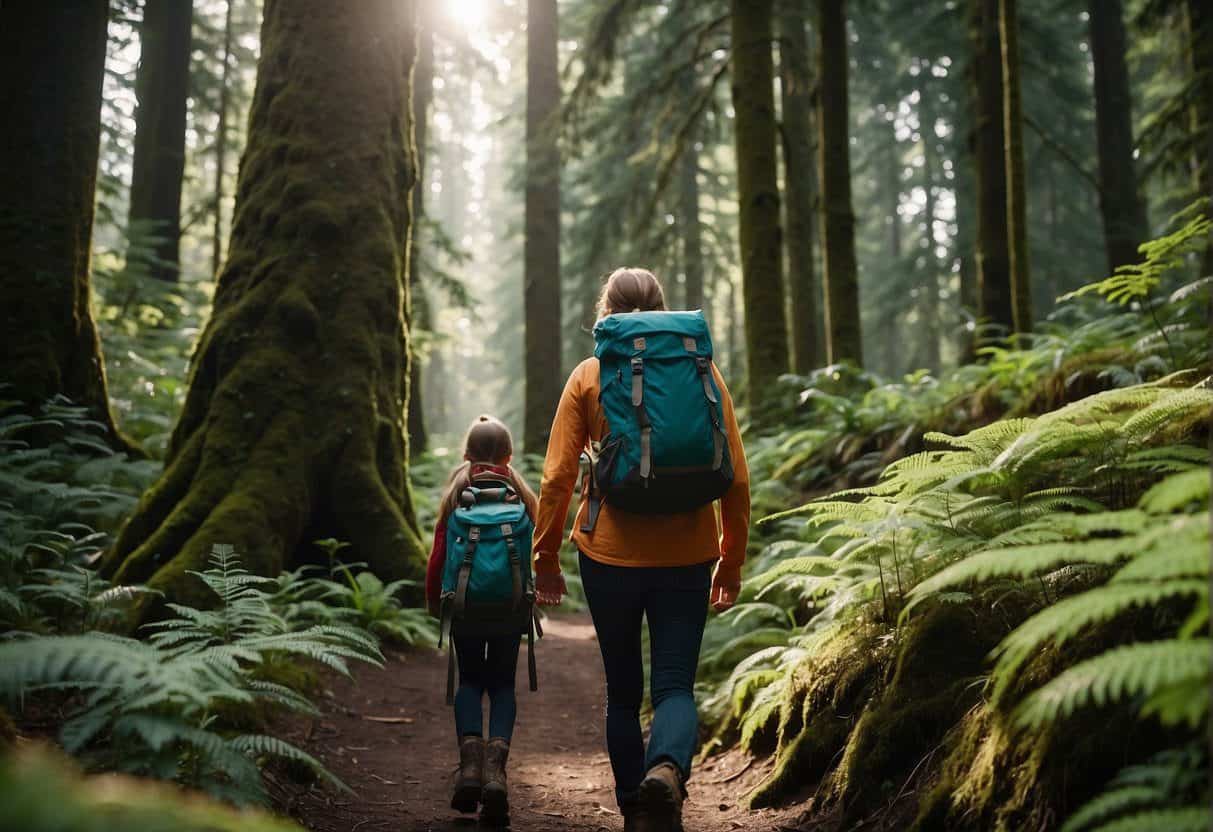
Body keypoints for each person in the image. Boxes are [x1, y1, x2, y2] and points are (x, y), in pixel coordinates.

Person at [532, 267, 750, 832]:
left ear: (607, 311)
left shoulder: (590, 373)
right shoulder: (701, 370)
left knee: (624, 691)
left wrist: (546, 557)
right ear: (660, 307)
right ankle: (669, 773)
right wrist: (730, 559)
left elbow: (556, 478)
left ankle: (634, 804)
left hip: (608, 556)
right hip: (690, 553)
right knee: (675, 681)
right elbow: (738, 478)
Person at [425, 415, 539, 826]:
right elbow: (533, 553)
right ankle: (496, 774)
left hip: (466, 607)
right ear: (508, 455)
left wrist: (435, 601)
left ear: (467, 455)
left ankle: (469, 769)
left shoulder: (457, 493)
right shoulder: (522, 494)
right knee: (503, 686)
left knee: (470, 682)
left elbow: (439, 556)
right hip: (510, 609)